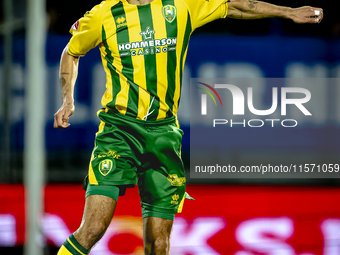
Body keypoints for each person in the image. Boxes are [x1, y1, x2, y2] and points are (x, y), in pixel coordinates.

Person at [54, 0, 323, 254]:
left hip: (164, 136)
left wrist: (288, 12)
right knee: (93, 228)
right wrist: (68, 100)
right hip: (119, 132)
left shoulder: (179, 7)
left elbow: (232, 6)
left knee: (159, 243)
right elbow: (71, 51)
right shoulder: (104, 14)